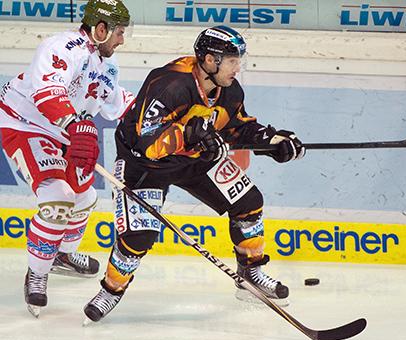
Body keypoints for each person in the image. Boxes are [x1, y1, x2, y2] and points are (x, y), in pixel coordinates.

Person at [84, 25, 305, 322]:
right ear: (210, 60)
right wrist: (191, 135)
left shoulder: (230, 90)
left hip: (195, 160)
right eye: (232, 60)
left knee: (249, 202)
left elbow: (238, 127)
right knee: (139, 237)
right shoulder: (169, 83)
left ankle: (250, 272)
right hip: (144, 166)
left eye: (239, 60)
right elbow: (146, 142)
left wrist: (273, 142)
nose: (237, 67)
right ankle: (111, 290)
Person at [0, 0, 134, 317]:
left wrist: (162, 116)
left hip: (62, 132)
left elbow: (121, 105)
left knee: (85, 197)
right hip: (25, 124)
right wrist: (77, 126)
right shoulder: (60, 46)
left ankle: (61, 254)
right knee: (58, 199)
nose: (121, 40)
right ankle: (37, 272)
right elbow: (48, 93)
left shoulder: (106, 66)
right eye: (118, 32)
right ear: (101, 29)